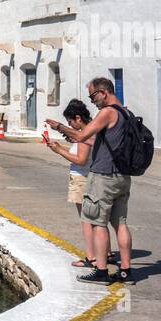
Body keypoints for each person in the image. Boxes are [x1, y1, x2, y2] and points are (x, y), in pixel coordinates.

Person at [45, 77, 134, 284]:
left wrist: (60, 127)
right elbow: (96, 139)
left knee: (97, 223)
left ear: (103, 92)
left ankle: (101, 270)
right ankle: (126, 271)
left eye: (93, 96)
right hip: (123, 176)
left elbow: (83, 135)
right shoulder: (126, 113)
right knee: (121, 223)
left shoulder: (107, 112)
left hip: (105, 175)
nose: (92, 101)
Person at [45, 99, 99, 268]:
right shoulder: (89, 131)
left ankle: (91, 257)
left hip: (81, 179)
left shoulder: (85, 134)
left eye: (70, 122)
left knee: (87, 221)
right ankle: (105, 254)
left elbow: (81, 160)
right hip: (87, 178)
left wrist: (58, 150)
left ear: (77, 118)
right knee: (96, 220)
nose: (70, 126)